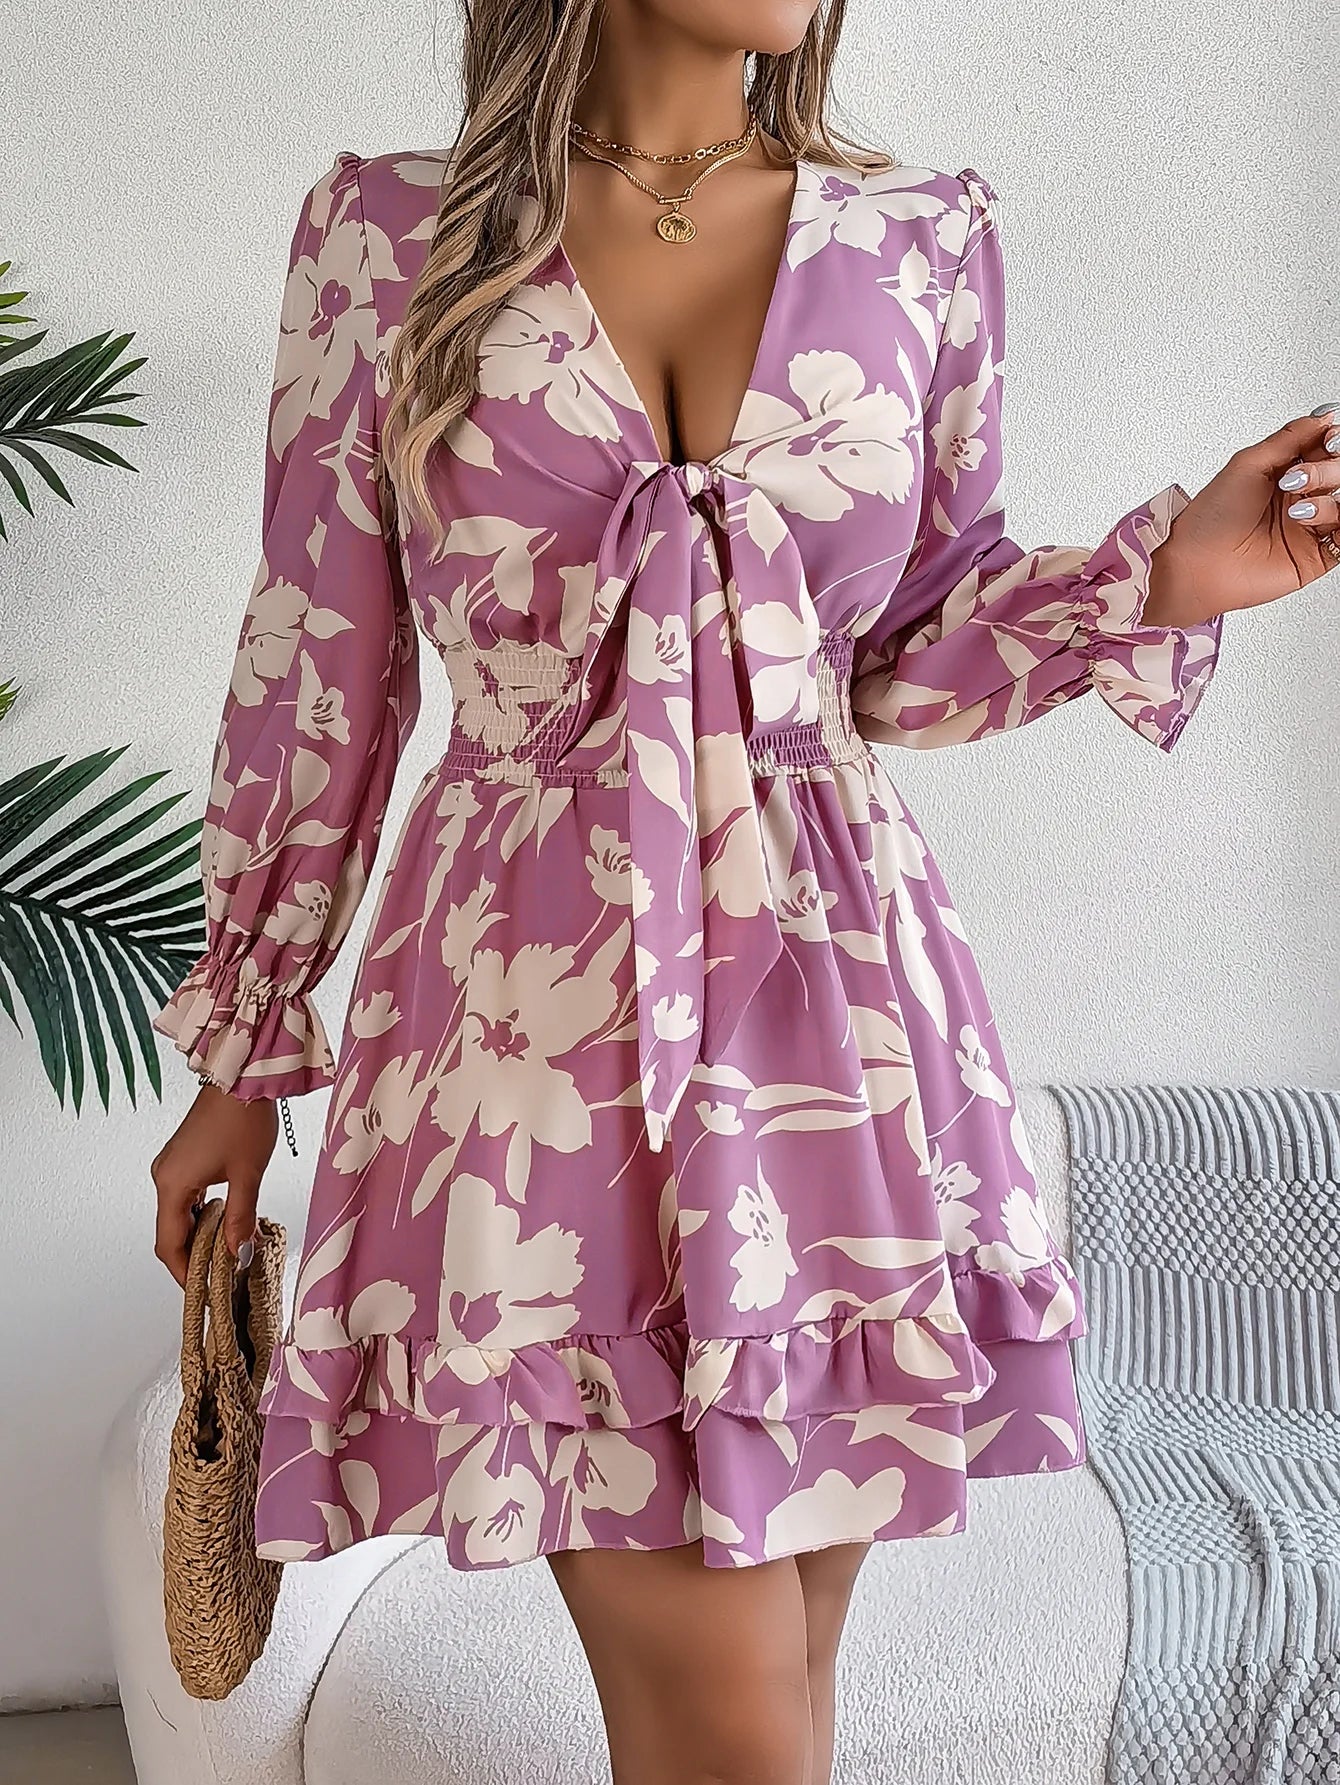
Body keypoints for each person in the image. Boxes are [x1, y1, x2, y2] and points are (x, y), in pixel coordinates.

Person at [148, 3, 1339, 1780]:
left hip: (839, 1030)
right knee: (733, 1725)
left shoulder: (924, 238)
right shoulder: (384, 238)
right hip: (529, 1039)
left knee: (783, 1693)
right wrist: (242, 1053)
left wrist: (1166, 578)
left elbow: (905, 655)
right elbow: (321, 658)